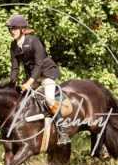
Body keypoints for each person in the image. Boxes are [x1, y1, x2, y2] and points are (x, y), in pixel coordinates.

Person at [7, 14, 71, 145]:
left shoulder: (34, 41)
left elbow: (39, 64)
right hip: (32, 76)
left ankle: (63, 132)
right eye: (10, 29)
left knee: (48, 99)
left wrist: (29, 82)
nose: (11, 31)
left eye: (14, 28)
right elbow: (15, 68)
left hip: (46, 73)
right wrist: (10, 86)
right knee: (21, 100)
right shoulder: (14, 46)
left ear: (22, 30)